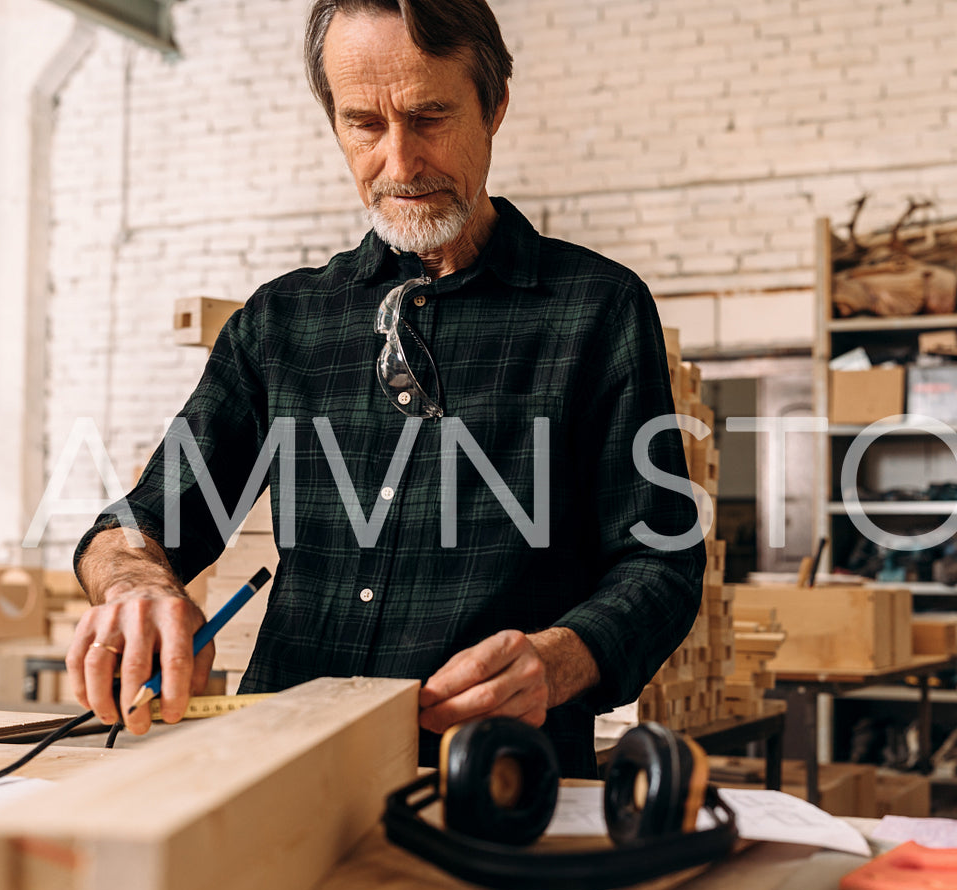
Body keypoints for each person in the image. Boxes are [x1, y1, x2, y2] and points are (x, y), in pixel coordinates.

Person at [67, 0, 704, 777]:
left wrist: (557, 660)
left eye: (429, 116)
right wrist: (134, 589)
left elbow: (660, 565)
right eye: (365, 124)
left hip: (492, 775)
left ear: (493, 105)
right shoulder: (283, 320)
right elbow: (139, 523)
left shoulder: (596, 309)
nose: (400, 164)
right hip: (278, 769)